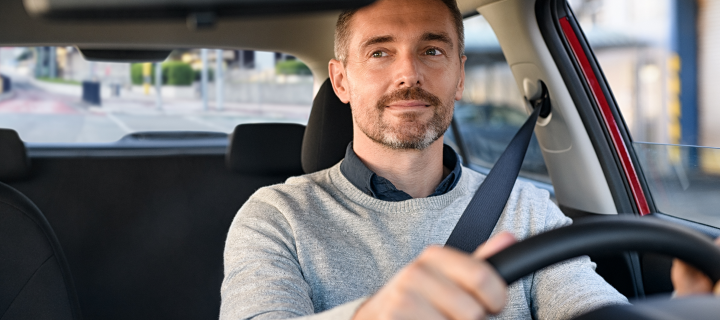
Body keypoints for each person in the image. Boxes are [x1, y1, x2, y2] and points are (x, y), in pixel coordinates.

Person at [220, 0, 720, 319]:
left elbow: (586, 306)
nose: (408, 74)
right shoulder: (275, 215)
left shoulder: (528, 208)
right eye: (379, 53)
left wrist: (683, 311)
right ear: (342, 80)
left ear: (460, 77)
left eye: (432, 51)